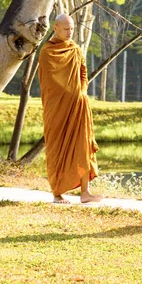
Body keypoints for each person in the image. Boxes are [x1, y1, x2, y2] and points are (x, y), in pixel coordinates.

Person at [39, 13, 102, 204]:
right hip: (57, 108)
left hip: (78, 105)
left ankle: (85, 192)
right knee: (57, 147)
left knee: (83, 146)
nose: (70, 32)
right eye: (66, 28)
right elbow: (50, 81)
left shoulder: (75, 49)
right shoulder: (47, 52)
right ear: (55, 28)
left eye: (72, 28)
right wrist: (69, 93)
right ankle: (57, 193)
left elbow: (83, 72)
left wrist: (81, 91)